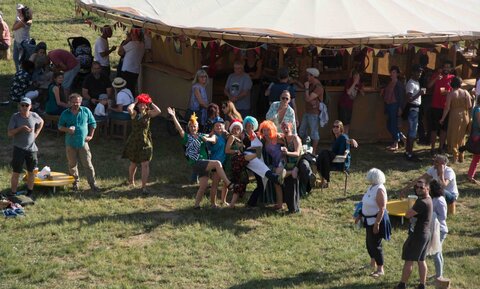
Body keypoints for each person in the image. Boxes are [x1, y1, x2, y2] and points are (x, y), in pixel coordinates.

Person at [167, 107, 235, 209]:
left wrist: (222, 130)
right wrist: (173, 116)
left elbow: (213, 135)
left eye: (194, 126)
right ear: (188, 128)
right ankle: (228, 183)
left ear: (198, 127)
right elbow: (180, 129)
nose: (193, 128)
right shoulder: (187, 138)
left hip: (204, 164)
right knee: (217, 163)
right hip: (197, 162)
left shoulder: (201, 135)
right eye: (191, 126)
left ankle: (196, 205)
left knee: (203, 186)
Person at [394, 178, 433, 289]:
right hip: (425, 233)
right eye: (416, 187)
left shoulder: (422, 202)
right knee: (421, 260)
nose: (418, 189)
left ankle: (402, 285)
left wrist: (410, 207)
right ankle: (422, 285)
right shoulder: (428, 199)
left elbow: (407, 215)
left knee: (409, 259)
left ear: (427, 188)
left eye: (421, 187)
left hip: (418, 235)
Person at [6, 98, 43, 205]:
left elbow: (41, 122)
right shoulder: (15, 117)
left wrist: (36, 132)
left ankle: (30, 192)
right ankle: (13, 192)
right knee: (16, 172)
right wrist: (21, 128)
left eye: (27, 105)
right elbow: (9, 133)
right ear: (19, 106)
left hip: (32, 149)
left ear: (30, 106)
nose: (24, 107)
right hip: (19, 149)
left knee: (31, 172)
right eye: (22, 105)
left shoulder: (34, 115)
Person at [58, 94, 98, 192]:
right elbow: (60, 126)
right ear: (69, 102)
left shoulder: (85, 111)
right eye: (74, 102)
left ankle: (92, 184)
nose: (76, 104)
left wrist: (91, 135)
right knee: (72, 165)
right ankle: (75, 184)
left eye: (78, 102)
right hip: (70, 143)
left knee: (88, 164)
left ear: (81, 102)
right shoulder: (65, 113)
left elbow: (93, 123)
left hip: (83, 143)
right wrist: (67, 130)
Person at [122, 94, 161, 193]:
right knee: (133, 163)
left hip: (145, 142)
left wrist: (151, 102)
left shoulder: (149, 113)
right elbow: (129, 109)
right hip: (134, 141)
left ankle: (144, 187)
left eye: (143, 104)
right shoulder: (134, 113)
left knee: (145, 164)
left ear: (146, 105)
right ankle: (131, 180)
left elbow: (159, 111)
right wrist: (135, 102)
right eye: (140, 104)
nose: (141, 106)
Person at [358, 168, 389, 278]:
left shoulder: (380, 189)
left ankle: (380, 269)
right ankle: (372, 263)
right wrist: (360, 215)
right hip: (368, 220)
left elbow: (382, 209)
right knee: (369, 243)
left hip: (375, 221)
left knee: (376, 245)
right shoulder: (371, 187)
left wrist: (377, 224)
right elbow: (365, 202)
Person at [316, 120, 358, 188]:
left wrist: (352, 140)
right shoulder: (336, 138)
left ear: (341, 128)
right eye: (333, 126)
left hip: (341, 163)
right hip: (336, 159)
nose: (335, 128)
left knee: (322, 155)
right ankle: (323, 181)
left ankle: (324, 182)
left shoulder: (343, 137)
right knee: (320, 158)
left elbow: (347, 140)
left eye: (337, 126)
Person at [439, 76, 472, 163]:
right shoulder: (465, 92)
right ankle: (461, 156)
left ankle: (455, 157)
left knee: (453, 136)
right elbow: (469, 105)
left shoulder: (451, 94)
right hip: (465, 116)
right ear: (460, 84)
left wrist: (442, 118)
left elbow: (447, 108)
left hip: (454, 116)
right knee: (462, 137)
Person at [428, 60, 455, 155]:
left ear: (451, 69)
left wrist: (448, 93)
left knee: (444, 129)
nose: (446, 68)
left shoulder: (453, 78)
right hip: (435, 106)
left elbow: (455, 91)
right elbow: (429, 86)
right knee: (434, 129)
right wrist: (436, 79)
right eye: (445, 66)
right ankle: (432, 148)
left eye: (448, 67)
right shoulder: (437, 75)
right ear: (442, 68)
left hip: (446, 107)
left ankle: (441, 148)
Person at [258, 120, 285, 210]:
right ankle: (279, 204)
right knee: (276, 182)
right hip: (275, 163)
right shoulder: (264, 141)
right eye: (264, 130)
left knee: (279, 180)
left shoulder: (277, 137)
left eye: (267, 130)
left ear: (272, 130)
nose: (265, 132)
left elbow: (288, 143)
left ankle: (281, 203)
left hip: (282, 161)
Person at [299, 67, 324, 155]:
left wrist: (306, 88)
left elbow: (308, 99)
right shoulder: (311, 85)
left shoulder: (318, 87)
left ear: (313, 76)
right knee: (302, 131)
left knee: (314, 132)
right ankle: (305, 148)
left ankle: (313, 152)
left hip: (314, 113)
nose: (307, 77)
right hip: (307, 111)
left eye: (308, 76)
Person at [404, 64, 426, 161]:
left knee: (411, 132)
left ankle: (408, 151)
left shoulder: (417, 82)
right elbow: (409, 99)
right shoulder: (411, 83)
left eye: (420, 72)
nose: (419, 74)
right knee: (412, 132)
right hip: (413, 109)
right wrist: (419, 94)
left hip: (416, 109)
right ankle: (410, 153)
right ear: (413, 72)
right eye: (418, 72)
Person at [382, 66, 405, 151]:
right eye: (391, 72)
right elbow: (387, 91)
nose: (392, 73)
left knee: (393, 124)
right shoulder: (389, 82)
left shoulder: (399, 84)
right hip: (389, 105)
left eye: (394, 72)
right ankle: (401, 137)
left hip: (395, 105)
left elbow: (402, 97)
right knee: (389, 125)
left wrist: (400, 108)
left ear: (397, 74)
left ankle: (396, 143)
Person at [429, 180, 448, 280]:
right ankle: (438, 273)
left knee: (436, 253)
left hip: (440, 230)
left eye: (430, 188)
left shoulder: (440, 200)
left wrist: (432, 215)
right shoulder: (435, 199)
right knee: (438, 253)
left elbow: (443, 216)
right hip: (436, 229)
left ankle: (439, 276)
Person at [280, 121, 301, 213]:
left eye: (287, 127)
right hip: (288, 165)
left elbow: (297, 153)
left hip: (296, 165)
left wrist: (287, 153)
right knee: (287, 187)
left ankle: (295, 209)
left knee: (293, 187)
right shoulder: (283, 139)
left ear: (291, 127)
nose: (285, 129)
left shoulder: (295, 138)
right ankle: (291, 208)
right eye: (283, 127)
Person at [207, 117, 229, 207]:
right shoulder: (214, 136)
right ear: (213, 127)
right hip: (216, 163)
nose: (218, 127)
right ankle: (213, 203)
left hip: (224, 162)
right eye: (216, 125)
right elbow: (212, 139)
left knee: (225, 184)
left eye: (220, 125)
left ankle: (223, 201)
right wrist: (208, 138)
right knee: (215, 184)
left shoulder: (224, 136)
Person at [118, 28, 145, 95]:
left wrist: (126, 40)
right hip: (135, 70)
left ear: (136, 35)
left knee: (126, 89)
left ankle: (128, 103)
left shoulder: (132, 43)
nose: (131, 36)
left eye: (132, 34)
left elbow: (120, 52)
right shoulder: (142, 44)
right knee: (131, 87)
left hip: (128, 70)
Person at [339, 69, 364, 134]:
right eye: (355, 77)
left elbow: (363, 93)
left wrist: (360, 89)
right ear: (353, 77)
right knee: (343, 123)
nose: (357, 78)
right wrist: (354, 83)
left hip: (350, 105)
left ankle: (346, 137)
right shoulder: (349, 82)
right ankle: (342, 137)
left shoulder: (359, 84)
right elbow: (348, 92)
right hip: (343, 104)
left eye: (358, 77)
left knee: (347, 123)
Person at [12, 4, 32, 71]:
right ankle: (19, 72)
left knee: (21, 59)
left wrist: (17, 20)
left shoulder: (23, 21)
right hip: (17, 40)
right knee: (15, 58)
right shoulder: (26, 19)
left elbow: (13, 28)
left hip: (22, 42)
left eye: (21, 10)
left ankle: (21, 73)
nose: (19, 11)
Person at [244, 50, 262, 117]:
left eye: (251, 52)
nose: (250, 53)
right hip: (245, 85)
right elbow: (243, 75)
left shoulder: (258, 62)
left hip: (255, 85)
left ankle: (252, 121)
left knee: (253, 103)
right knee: (246, 102)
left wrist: (247, 75)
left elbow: (258, 75)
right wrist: (251, 74)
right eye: (248, 52)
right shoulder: (244, 62)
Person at [467, 94, 480, 184]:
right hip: (478, 136)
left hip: (475, 135)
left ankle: (470, 176)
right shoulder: (479, 110)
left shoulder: (476, 108)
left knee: (476, 158)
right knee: (476, 158)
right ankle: (470, 176)